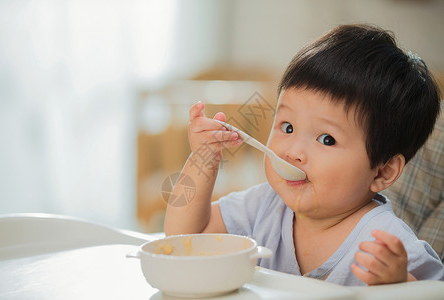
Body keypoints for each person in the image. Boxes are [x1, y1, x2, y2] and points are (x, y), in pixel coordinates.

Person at [164, 24, 444, 286]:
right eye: (287, 127)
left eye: (327, 139)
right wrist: (203, 161)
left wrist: (399, 285)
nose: (293, 151)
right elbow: (182, 239)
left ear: (382, 171)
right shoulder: (263, 206)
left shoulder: (386, 244)